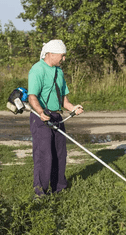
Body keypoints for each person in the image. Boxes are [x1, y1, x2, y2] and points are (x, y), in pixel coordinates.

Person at [28, 39, 83, 197]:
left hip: (56, 116)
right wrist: (40, 112)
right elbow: (32, 97)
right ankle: (40, 192)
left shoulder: (59, 72)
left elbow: (64, 100)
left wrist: (73, 108)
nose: (64, 59)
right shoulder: (37, 70)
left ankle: (59, 188)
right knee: (44, 154)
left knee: (60, 153)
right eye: (62, 56)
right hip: (40, 116)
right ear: (50, 54)